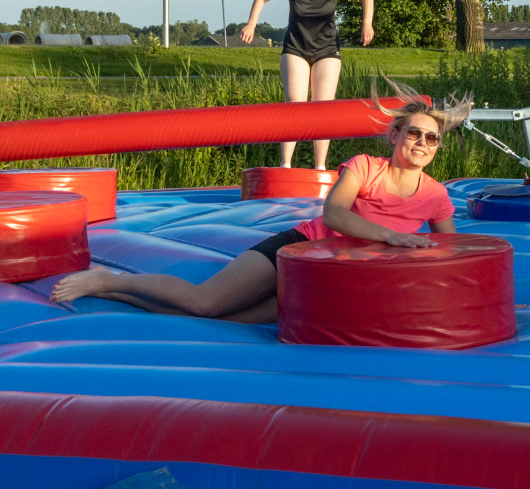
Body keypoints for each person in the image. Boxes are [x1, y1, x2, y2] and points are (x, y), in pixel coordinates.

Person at [51, 81, 472, 324]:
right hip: (297, 250)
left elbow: (452, 251)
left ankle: (125, 297)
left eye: (431, 138)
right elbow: (333, 213)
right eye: (413, 133)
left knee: (221, 319)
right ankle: (111, 280)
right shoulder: (365, 167)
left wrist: (469, 295)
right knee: (205, 303)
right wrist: (390, 237)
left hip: (333, 278)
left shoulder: (435, 196)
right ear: (395, 136)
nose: (422, 142)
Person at [239, 0, 376, 169]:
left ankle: (319, 166)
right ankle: (285, 164)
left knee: (322, 108)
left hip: (327, 49)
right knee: (295, 105)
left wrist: (367, 24)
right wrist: (252, 23)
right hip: (296, 48)